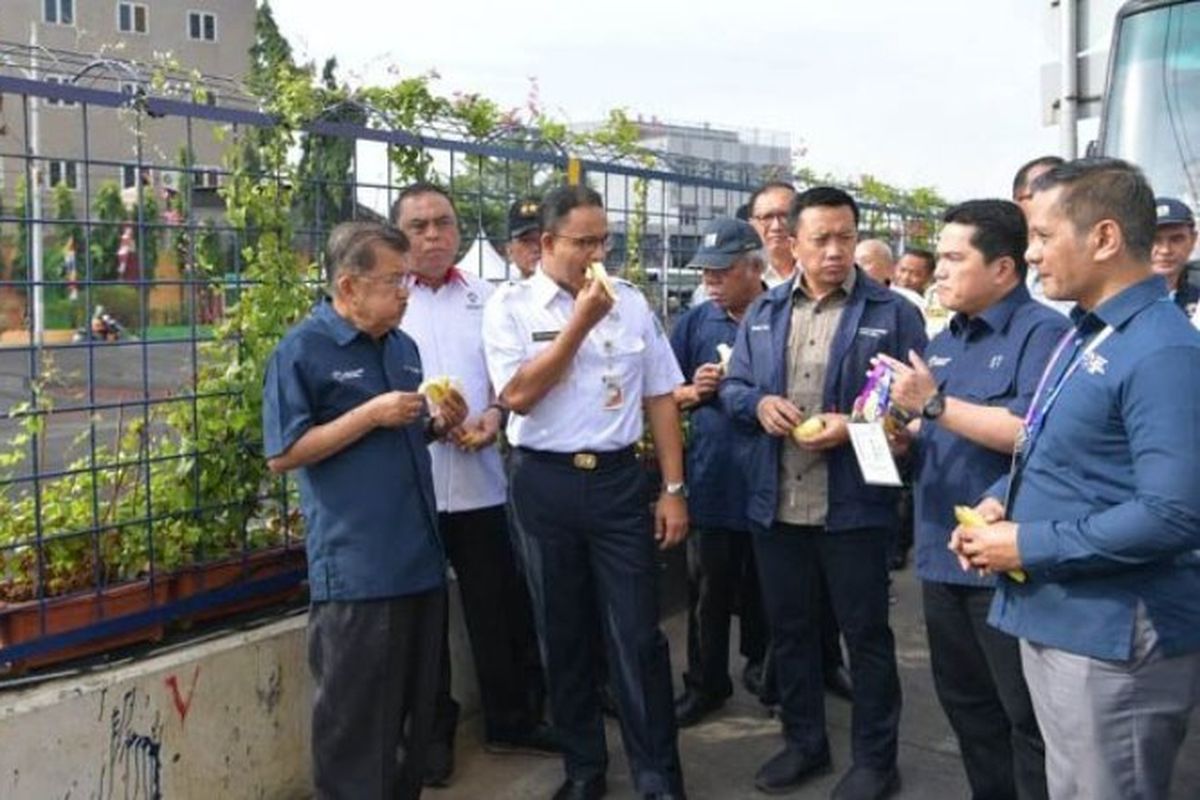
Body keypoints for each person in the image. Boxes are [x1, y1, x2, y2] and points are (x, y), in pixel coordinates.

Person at [955, 158, 1200, 800]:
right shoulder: (1089, 333)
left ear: (1104, 238)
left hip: (1113, 636)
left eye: (1041, 236)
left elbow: (1175, 513)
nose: (1030, 255)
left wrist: (1027, 545)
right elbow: (1061, 450)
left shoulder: (1162, 350)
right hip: (1064, 617)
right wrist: (997, 502)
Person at [483, 184, 689, 800]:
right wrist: (578, 323)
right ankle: (584, 768)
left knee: (637, 634)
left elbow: (660, 396)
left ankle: (658, 776)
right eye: (583, 241)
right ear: (546, 243)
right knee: (562, 630)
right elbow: (517, 396)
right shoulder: (511, 308)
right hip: (544, 481)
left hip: (620, 481)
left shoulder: (629, 301)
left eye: (603, 240)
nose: (597, 252)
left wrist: (673, 487)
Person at [722, 186, 927, 799]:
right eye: (822, 239)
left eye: (845, 237)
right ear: (793, 243)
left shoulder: (891, 312)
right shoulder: (764, 312)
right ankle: (804, 742)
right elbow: (732, 391)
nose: (836, 251)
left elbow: (917, 409)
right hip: (777, 503)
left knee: (865, 636)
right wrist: (759, 404)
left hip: (854, 507)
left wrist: (857, 426)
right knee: (791, 632)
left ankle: (874, 760)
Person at [261, 221, 467, 799]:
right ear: (349, 288)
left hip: (419, 560)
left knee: (411, 723)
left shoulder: (403, 348)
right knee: (355, 732)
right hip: (359, 571)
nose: (406, 292)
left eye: (406, 280)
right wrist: (369, 415)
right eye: (394, 280)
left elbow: (400, 438)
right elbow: (284, 452)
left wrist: (435, 422)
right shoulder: (302, 351)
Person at [882, 200, 1062, 800]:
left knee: (1025, 720)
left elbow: (1033, 436)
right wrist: (901, 435)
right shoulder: (943, 340)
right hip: (941, 554)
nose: (940, 271)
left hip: (1007, 564)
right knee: (968, 708)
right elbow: (935, 429)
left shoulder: (1044, 335)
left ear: (1005, 268)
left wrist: (934, 404)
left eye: (956, 258)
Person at [391, 183, 556, 786]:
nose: (434, 235)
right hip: (416, 490)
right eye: (419, 226)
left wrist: (493, 420)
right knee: (423, 620)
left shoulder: (488, 299)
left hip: (483, 483)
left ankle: (511, 719)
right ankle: (431, 734)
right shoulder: (389, 302)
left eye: (444, 223)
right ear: (398, 235)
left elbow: (508, 383)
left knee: (497, 607)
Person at [668, 217, 769, 728]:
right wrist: (695, 391)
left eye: (721, 272)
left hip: (773, 478)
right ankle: (705, 682)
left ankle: (769, 672)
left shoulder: (781, 314)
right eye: (705, 272)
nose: (710, 282)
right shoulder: (695, 323)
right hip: (712, 480)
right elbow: (665, 398)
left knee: (771, 590)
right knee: (706, 591)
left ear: (754, 267)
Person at [1012, 156, 1071, 316]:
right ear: (1018, 201)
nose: (1054, 201)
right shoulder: (997, 258)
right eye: (1042, 191)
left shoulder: (1078, 261)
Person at [1150, 196, 1198, 318]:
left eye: (1176, 239)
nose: (1166, 250)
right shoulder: (1115, 299)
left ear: (1193, 240)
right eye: (1155, 240)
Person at [748, 181, 800, 288]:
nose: (776, 226)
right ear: (753, 224)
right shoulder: (744, 276)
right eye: (767, 217)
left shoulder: (820, 270)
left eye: (785, 216)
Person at [507, 197, 543, 279]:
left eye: (543, 240)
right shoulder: (507, 292)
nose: (536, 248)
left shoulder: (574, 290)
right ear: (510, 251)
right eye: (526, 241)